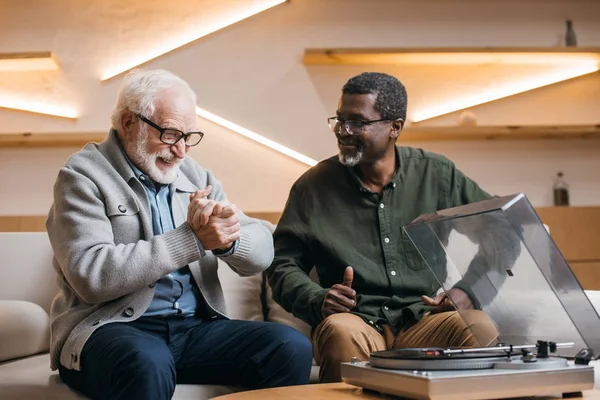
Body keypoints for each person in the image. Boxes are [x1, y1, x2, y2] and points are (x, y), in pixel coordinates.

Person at [46, 69, 312, 400]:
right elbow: (92, 276)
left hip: (193, 331)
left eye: (189, 136)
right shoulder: (82, 177)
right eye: (171, 134)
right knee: (146, 361)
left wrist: (227, 240)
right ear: (129, 123)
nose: (182, 150)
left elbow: (262, 250)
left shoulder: (191, 173)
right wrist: (193, 240)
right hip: (110, 330)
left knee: (289, 346)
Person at [267, 72, 507, 383]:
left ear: (395, 127)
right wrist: (318, 298)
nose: (343, 131)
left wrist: (468, 291)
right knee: (341, 333)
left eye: (357, 123)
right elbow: (282, 264)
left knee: (480, 328)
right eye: (339, 120)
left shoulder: (436, 175)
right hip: (354, 322)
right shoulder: (312, 186)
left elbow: (502, 232)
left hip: (424, 319)